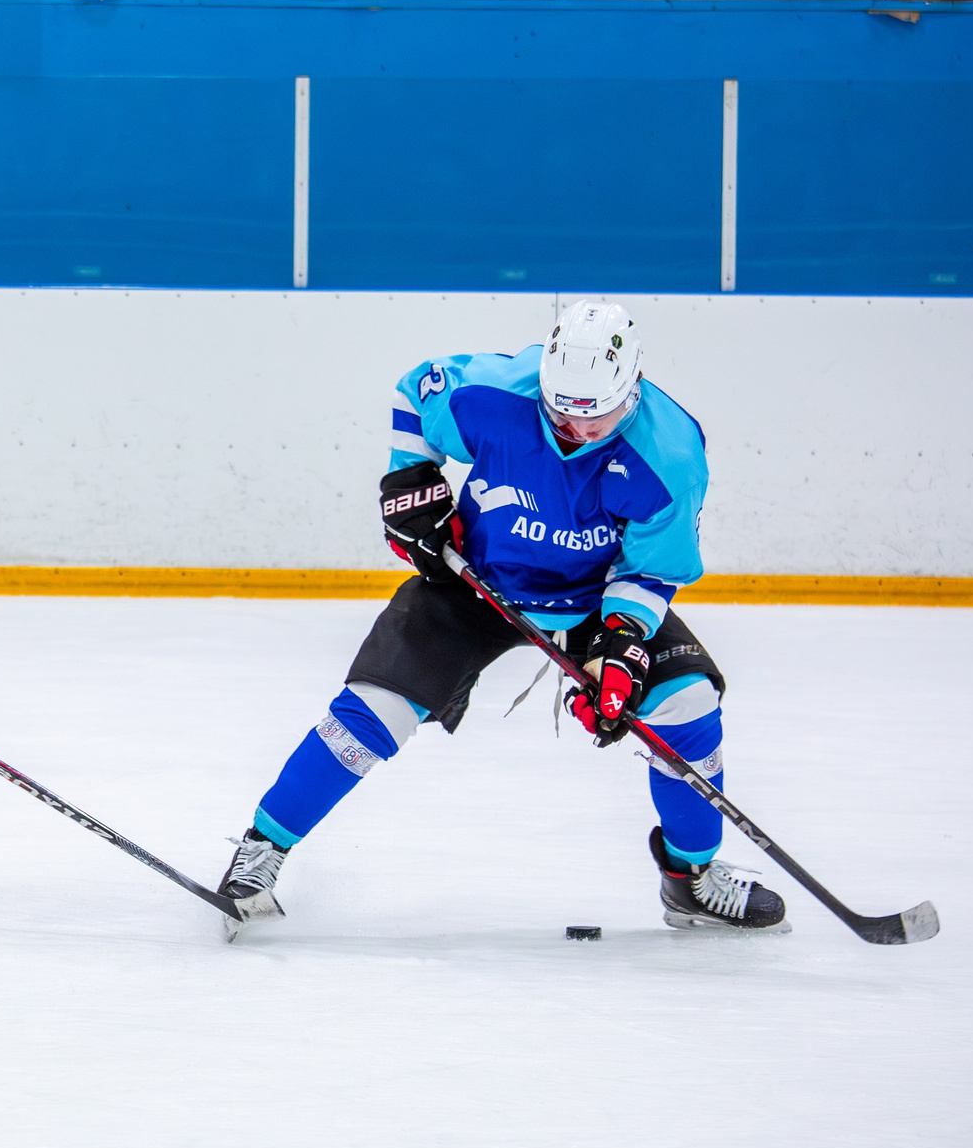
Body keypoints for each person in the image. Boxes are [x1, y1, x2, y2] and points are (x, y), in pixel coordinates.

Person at [216, 301, 787, 936]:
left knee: (688, 704)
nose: (576, 426)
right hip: (476, 581)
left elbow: (651, 569)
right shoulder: (495, 391)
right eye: (562, 407)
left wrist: (622, 646)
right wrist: (410, 480)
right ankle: (262, 850)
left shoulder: (671, 453)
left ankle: (692, 880)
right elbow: (414, 394)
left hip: (596, 601)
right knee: (375, 706)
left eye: (595, 413)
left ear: (631, 390)